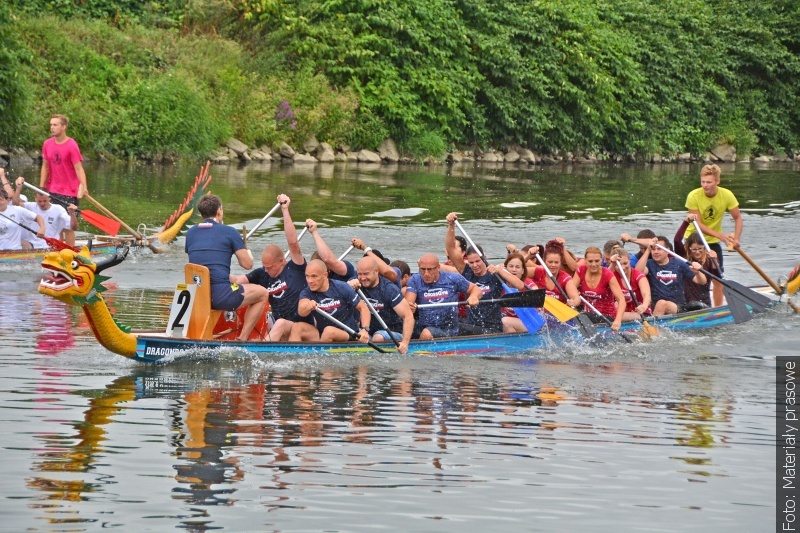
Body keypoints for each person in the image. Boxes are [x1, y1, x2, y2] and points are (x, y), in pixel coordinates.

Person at [185, 194, 268, 341]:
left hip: (196, 295)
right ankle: (242, 339)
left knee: (232, 282)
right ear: (219, 212)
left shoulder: (190, 233)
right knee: (262, 293)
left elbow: (203, 259)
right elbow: (247, 265)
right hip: (219, 297)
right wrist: (246, 251)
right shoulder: (229, 232)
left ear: (201, 213)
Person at [230, 194, 309, 341]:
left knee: (280, 323)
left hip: (300, 327)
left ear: (281, 261)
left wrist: (285, 210)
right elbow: (237, 281)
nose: (266, 271)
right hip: (277, 326)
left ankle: (260, 348)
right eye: (264, 267)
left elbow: (293, 243)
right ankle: (247, 339)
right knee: (253, 298)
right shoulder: (262, 274)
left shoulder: (296, 267)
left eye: (270, 267)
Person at [684, 164, 742, 306]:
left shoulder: (727, 195)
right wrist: (720, 235)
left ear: (717, 181)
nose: (705, 185)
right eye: (703, 181)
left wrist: (736, 239)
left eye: (709, 182)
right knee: (690, 275)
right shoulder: (693, 196)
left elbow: (738, 218)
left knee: (717, 279)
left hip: (713, 242)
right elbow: (698, 225)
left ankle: (716, 309)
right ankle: (687, 305)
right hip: (693, 240)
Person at [445, 213, 504, 334]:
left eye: (478, 261)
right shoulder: (466, 271)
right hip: (472, 326)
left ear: (485, 258)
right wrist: (451, 226)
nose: (475, 265)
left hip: (493, 329)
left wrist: (502, 269)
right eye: (471, 262)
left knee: (455, 327)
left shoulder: (495, 274)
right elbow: (451, 249)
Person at [290, 259, 372, 343]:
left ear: (325, 275)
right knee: (297, 327)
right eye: (307, 276)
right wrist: (308, 306)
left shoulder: (342, 287)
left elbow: (363, 308)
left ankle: (318, 354)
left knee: (329, 331)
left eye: (314, 276)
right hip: (322, 333)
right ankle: (293, 354)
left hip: (348, 333)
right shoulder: (307, 292)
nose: (310, 281)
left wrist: (365, 330)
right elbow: (301, 311)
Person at [404, 253, 482, 339]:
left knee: (427, 333)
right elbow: (409, 302)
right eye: (422, 269)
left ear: (438, 268)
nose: (426, 274)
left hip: (448, 328)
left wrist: (473, 297)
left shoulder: (452, 278)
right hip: (422, 326)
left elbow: (476, 289)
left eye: (429, 270)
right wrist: (410, 306)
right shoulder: (415, 279)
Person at [349, 255, 415, 353]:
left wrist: (405, 343)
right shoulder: (356, 283)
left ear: (376, 272)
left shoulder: (389, 289)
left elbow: (408, 316)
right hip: (366, 332)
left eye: (366, 274)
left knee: (378, 337)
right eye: (360, 274)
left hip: (392, 333)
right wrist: (347, 286)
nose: (362, 278)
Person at [635, 236, 707, 316]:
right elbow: (637, 273)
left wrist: (698, 273)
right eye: (653, 249)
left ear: (667, 250)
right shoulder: (649, 264)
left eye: (659, 249)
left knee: (662, 303)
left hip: (677, 306)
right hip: (655, 305)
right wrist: (648, 249)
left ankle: (653, 327)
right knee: (661, 303)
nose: (655, 252)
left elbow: (702, 281)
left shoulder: (679, 263)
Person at [11, 176, 77, 247]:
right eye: (39, 201)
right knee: (20, 242)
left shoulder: (58, 209)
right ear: (35, 199)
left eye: (45, 201)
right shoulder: (31, 206)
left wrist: (72, 213)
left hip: (51, 245)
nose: (42, 203)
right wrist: (18, 188)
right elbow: (15, 204)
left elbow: (73, 228)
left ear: (49, 198)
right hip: (33, 245)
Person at [573, 246, 626, 331]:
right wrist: (574, 296)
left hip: (607, 318)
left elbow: (621, 300)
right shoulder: (580, 270)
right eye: (590, 261)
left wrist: (618, 320)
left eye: (597, 261)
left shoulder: (608, 274)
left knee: (580, 316)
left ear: (602, 260)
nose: (593, 264)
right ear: (585, 261)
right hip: (589, 316)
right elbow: (571, 290)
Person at [673, 214, 720, 308]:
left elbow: (718, 277)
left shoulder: (710, 259)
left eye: (700, 249)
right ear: (688, 248)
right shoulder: (684, 257)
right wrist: (686, 222)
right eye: (694, 249)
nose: (697, 252)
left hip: (704, 301)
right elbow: (677, 240)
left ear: (705, 248)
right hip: (686, 301)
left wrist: (715, 261)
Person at [40, 114, 88, 207]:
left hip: (70, 192)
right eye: (51, 125)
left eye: (55, 125)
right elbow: (45, 166)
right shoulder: (47, 144)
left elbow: (78, 168)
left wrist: (84, 186)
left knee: (68, 221)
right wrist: (41, 187)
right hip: (52, 190)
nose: (52, 128)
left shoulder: (72, 145)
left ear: (63, 127)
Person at [529, 240, 581, 307]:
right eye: (550, 262)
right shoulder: (537, 272)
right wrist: (528, 256)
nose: (553, 265)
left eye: (556, 262)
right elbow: (518, 271)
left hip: (557, 315)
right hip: (539, 313)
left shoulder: (565, 278)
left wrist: (574, 302)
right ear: (544, 261)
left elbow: (576, 298)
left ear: (560, 262)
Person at [608, 245, 652, 321]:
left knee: (613, 314)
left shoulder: (638, 275)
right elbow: (604, 276)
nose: (622, 267)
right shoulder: (612, 276)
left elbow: (646, 294)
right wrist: (612, 263)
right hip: (623, 312)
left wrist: (644, 305)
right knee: (615, 306)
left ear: (629, 260)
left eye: (625, 263)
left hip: (640, 313)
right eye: (619, 265)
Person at [0, 186, 46, 250]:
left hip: (14, 250)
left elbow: (38, 217)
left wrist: (42, 229)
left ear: (7, 200)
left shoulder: (17, 210)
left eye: (0, 200)